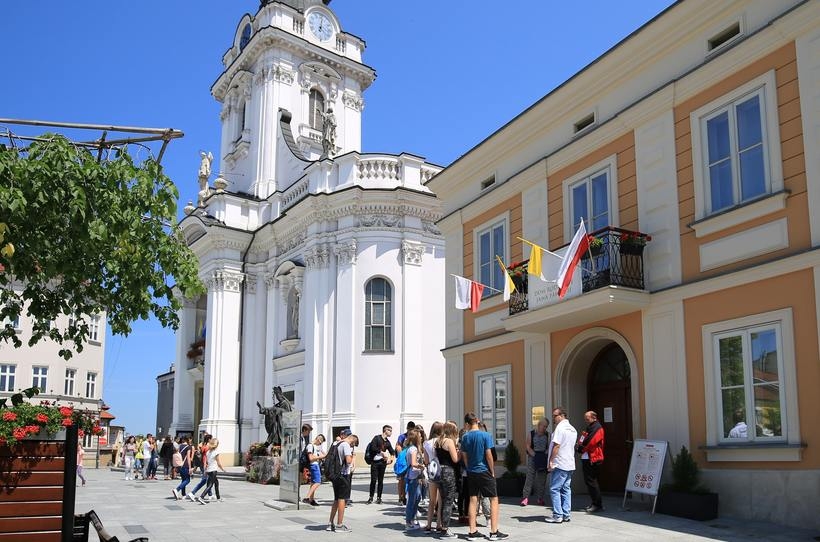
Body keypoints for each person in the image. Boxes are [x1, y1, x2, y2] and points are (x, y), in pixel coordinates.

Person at [460, 412, 508, 541]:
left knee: (473, 499)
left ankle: (472, 531)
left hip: (472, 471)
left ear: (467, 424)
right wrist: (492, 471)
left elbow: (463, 455)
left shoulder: (465, 437)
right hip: (484, 470)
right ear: (477, 421)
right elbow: (489, 455)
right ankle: (493, 532)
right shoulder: (486, 435)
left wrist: (468, 466)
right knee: (493, 499)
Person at [545, 407, 578, 524]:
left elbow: (557, 446)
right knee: (566, 489)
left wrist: (551, 461)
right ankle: (566, 514)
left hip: (560, 463)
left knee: (554, 489)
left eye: (555, 416)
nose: (553, 418)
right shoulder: (573, 429)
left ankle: (557, 515)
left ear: (562, 415)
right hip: (569, 463)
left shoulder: (560, 428)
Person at [327, 432, 359, 533]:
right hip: (342, 475)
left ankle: (330, 523)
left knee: (336, 499)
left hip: (335, 475)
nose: (352, 446)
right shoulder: (345, 445)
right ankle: (339, 525)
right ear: (353, 440)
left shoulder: (337, 443)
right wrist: (353, 456)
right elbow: (348, 461)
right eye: (353, 444)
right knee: (342, 499)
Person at [435, 422, 460, 539]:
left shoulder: (438, 441)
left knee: (443, 499)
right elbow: (455, 459)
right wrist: (459, 453)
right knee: (449, 501)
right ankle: (445, 529)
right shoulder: (449, 441)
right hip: (448, 472)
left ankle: (441, 526)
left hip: (439, 472)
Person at [576, 410, 605, 513]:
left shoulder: (597, 427)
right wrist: (579, 445)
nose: (586, 420)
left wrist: (580, 448)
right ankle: (595, 503)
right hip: (587, 458)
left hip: (592, 458)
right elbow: (583, 439)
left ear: (594, 417)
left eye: (587, 418)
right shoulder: (590, 427)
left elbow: (590, 442)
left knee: (592, 481)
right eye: (585, 419)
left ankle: (597, 504)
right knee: (589, 481)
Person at [521, 418, 550, 506]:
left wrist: (545, 453)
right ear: (539, 425)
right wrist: (534, 455)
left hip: (543, 458)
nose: (545, 428)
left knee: (542, 479)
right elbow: (528, 446)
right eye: (543, 426)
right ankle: (525, 498)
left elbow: (549, 447)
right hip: (533, 457)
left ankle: (540, 498)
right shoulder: (531, 433)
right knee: (529, 478)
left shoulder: (548, 435)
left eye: (546, 426)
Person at [366, 425, 395, 505]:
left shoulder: (387, 442)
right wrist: (382, 452)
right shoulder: (377, 438)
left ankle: (379, 498)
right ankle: (371, 497)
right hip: (375, 462)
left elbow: (392, 451)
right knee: (373, 480)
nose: (391, 432)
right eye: (390, 431)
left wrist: (391, 459)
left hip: (382, 463)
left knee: (381, 481)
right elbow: (373, 448)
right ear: (386, 430)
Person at [423, 422, 444, 532]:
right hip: (442, 470)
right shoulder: (442, 441)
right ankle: (439, 524)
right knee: (441, 500)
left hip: (432, 470)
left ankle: (429, 524)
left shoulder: (426, 443)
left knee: (432, 500)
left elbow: (426, 461)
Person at [191, 438, 225, 504]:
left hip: (209, 470)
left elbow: (206, 462)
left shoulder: (208, 452)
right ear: (216, 444)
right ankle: (201, 497)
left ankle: (218, 498)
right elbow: (218, 463)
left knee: (216, 483)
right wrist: (223, 469)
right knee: (210, 485)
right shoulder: (216, 452)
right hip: (213, 470)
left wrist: (206, 470)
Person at [302, 434, 326, 506]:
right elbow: (311, 458)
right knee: (318, 482)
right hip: (314, 465)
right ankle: (307, 497)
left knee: (313, 483)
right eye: (321, 443)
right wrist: (321, 456)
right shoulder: (310, 446)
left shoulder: (314, 446)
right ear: (319, 440)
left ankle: (311, 499)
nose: (320, 444)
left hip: (314, 465)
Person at [395, 421, 415, 505]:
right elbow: (398, 447)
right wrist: (402, 457)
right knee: (401, 480)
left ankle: (406, 497)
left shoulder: (414, 436)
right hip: (404, 462)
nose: (410, 430)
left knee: (409, 480)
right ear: (407, 428)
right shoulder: (402, 437)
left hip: (411, 461)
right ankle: (401, 497)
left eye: (411, 429)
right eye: (409, 429)